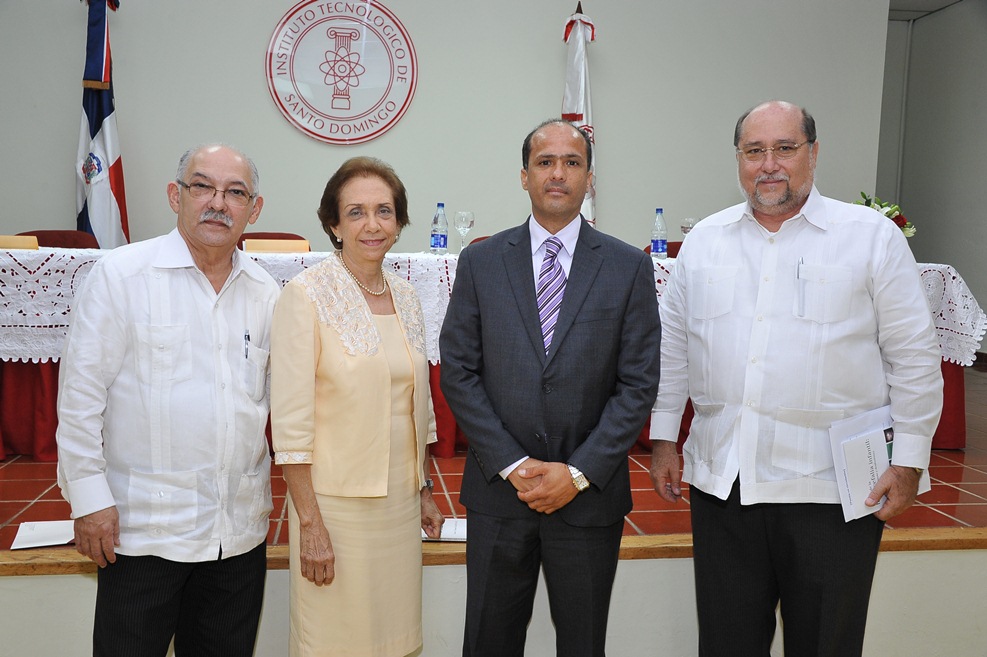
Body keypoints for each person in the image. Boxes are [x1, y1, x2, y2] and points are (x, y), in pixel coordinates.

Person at [648, 100, 944, 656]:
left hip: (832, 487)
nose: (769, 164)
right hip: (725, 483)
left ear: (813, 153)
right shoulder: (706, 242)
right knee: (726, 642)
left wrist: (909, 460)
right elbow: (674, 348)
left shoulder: (870, 237)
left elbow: (913, 355)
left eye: (785, 148)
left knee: (825, 643)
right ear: (738, 159)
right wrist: (665, 439)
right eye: (754, 150)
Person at [440, 119, 661, 657]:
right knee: (488, 641)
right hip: (500, 493)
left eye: (572, 162)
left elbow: (637, 383)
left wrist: (579, 473)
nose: (558, 174)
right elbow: (459, 371)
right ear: (524, 176)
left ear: (589, 178)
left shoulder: (628, 267)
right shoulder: (481, 262)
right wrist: (514, 464)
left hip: (588, 499)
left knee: (583, 644)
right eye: (545, 162)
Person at [56, 144, 280, 656]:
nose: (217, 203)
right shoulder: (122, 277)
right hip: (143, 535)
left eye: (235, 192)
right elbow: (81, 397)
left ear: (255, 209)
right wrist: (89, 501)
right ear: (175, 195)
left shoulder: (266, 292)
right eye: (202, 187)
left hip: (236, 537)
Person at [271, 156, 444, 657]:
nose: (372, 225)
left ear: (399, 222)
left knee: (393, 637)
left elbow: (420, 405)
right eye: (356, 212)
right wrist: (311, 525)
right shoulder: (305, 296)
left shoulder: (408, 296)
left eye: (384, 211)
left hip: (398, 502)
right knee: (335, 639)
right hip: (334, 507)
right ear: (333, 224)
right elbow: (291, 424)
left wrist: (425, 490)